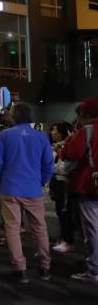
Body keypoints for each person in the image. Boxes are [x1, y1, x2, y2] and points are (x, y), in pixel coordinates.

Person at [0, 102, 54, 283]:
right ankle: (45, 267)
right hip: (33, 188)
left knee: (12, 228)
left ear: (13, 116)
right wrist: (41, 181)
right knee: (39, 228)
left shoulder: (5, 135)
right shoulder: (41, 137)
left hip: (9, 188)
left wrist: (0, 180)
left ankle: (20, 269)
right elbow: (48, 164)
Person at [62, 97, 98, 284]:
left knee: (93, 229)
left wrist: (70, 138)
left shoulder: (88, 131)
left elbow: (71, 153)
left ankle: (94, 270)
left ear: (85, 114)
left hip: (90, 185)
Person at [50, 121, 77, 254]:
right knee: (60, 212)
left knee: (65, 212)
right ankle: (63, 239)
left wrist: (50, 168)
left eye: (55, 130)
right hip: (58, 182)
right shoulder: (57, 146)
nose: (52, 132)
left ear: (62, 132)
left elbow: (64, 167)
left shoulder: (66, 146)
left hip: (63, 183)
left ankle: (67, 241)